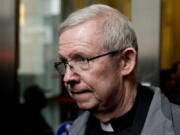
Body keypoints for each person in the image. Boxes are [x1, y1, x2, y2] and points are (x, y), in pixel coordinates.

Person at [54, 4, 180, 135]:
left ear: (126, 61)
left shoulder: (175, 126)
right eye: (64, 62)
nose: (67, 78)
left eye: (82, 59)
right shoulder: (75, 130)